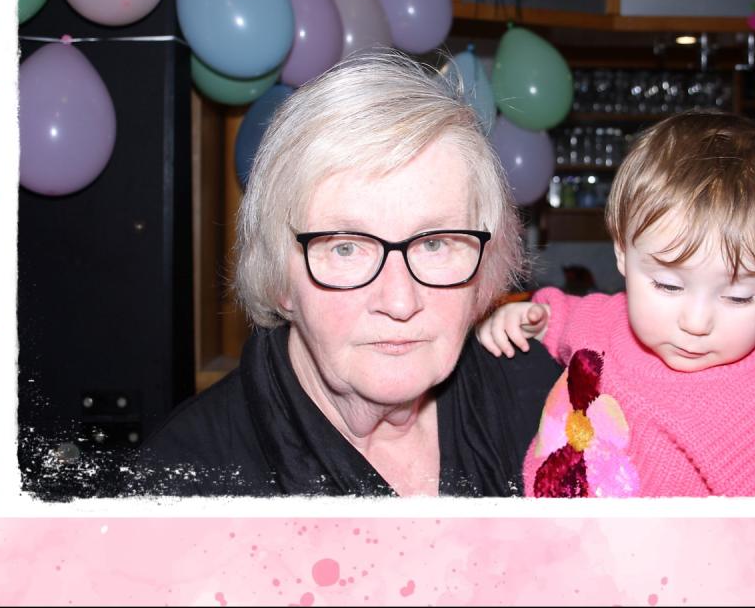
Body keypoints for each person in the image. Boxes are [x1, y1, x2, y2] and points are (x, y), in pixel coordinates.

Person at [138, 51, 561, 497]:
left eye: (434, 243)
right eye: (346, 248)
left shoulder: (548, 402)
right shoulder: (185, 487)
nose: (399, 302)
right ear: (280, 278)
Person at [477, 110, 755, 498]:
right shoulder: (607, 321)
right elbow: (566, 316)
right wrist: (532, 318)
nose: (696, 322)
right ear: (622, 253)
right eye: (668, 286)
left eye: (738, 297)